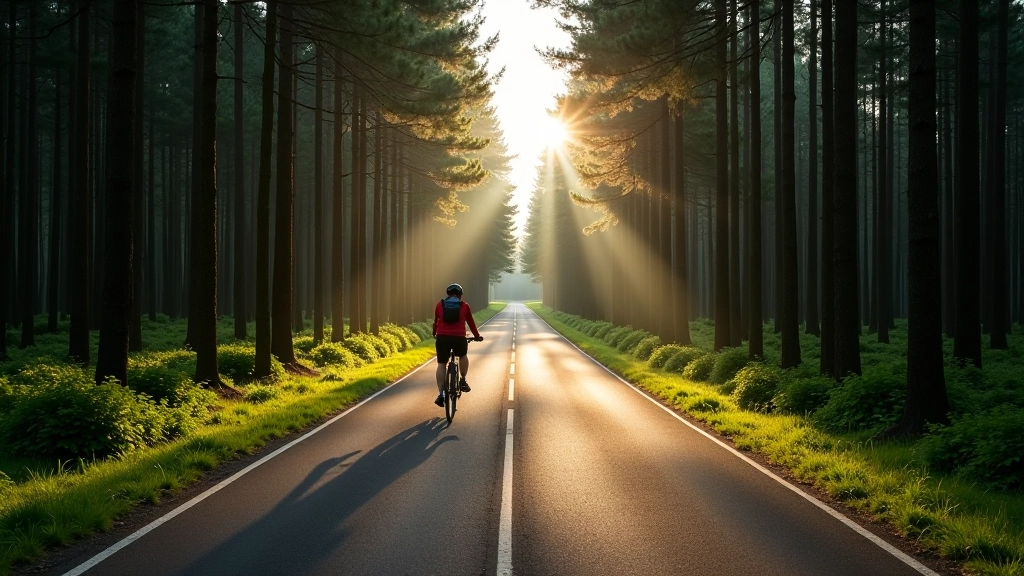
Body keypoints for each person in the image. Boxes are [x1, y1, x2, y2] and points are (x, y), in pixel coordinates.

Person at [432, 283, 483, 407]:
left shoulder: (440, 304)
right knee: (463, 355)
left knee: (441, 364)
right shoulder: (464, 306)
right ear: (460, 295)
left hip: (442, 337)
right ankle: (463, 380)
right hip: (459, 337)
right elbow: (471, 323)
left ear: (448, 294)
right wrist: (476, 336)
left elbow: (436, 322)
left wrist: (435, 334)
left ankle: (441, 394)